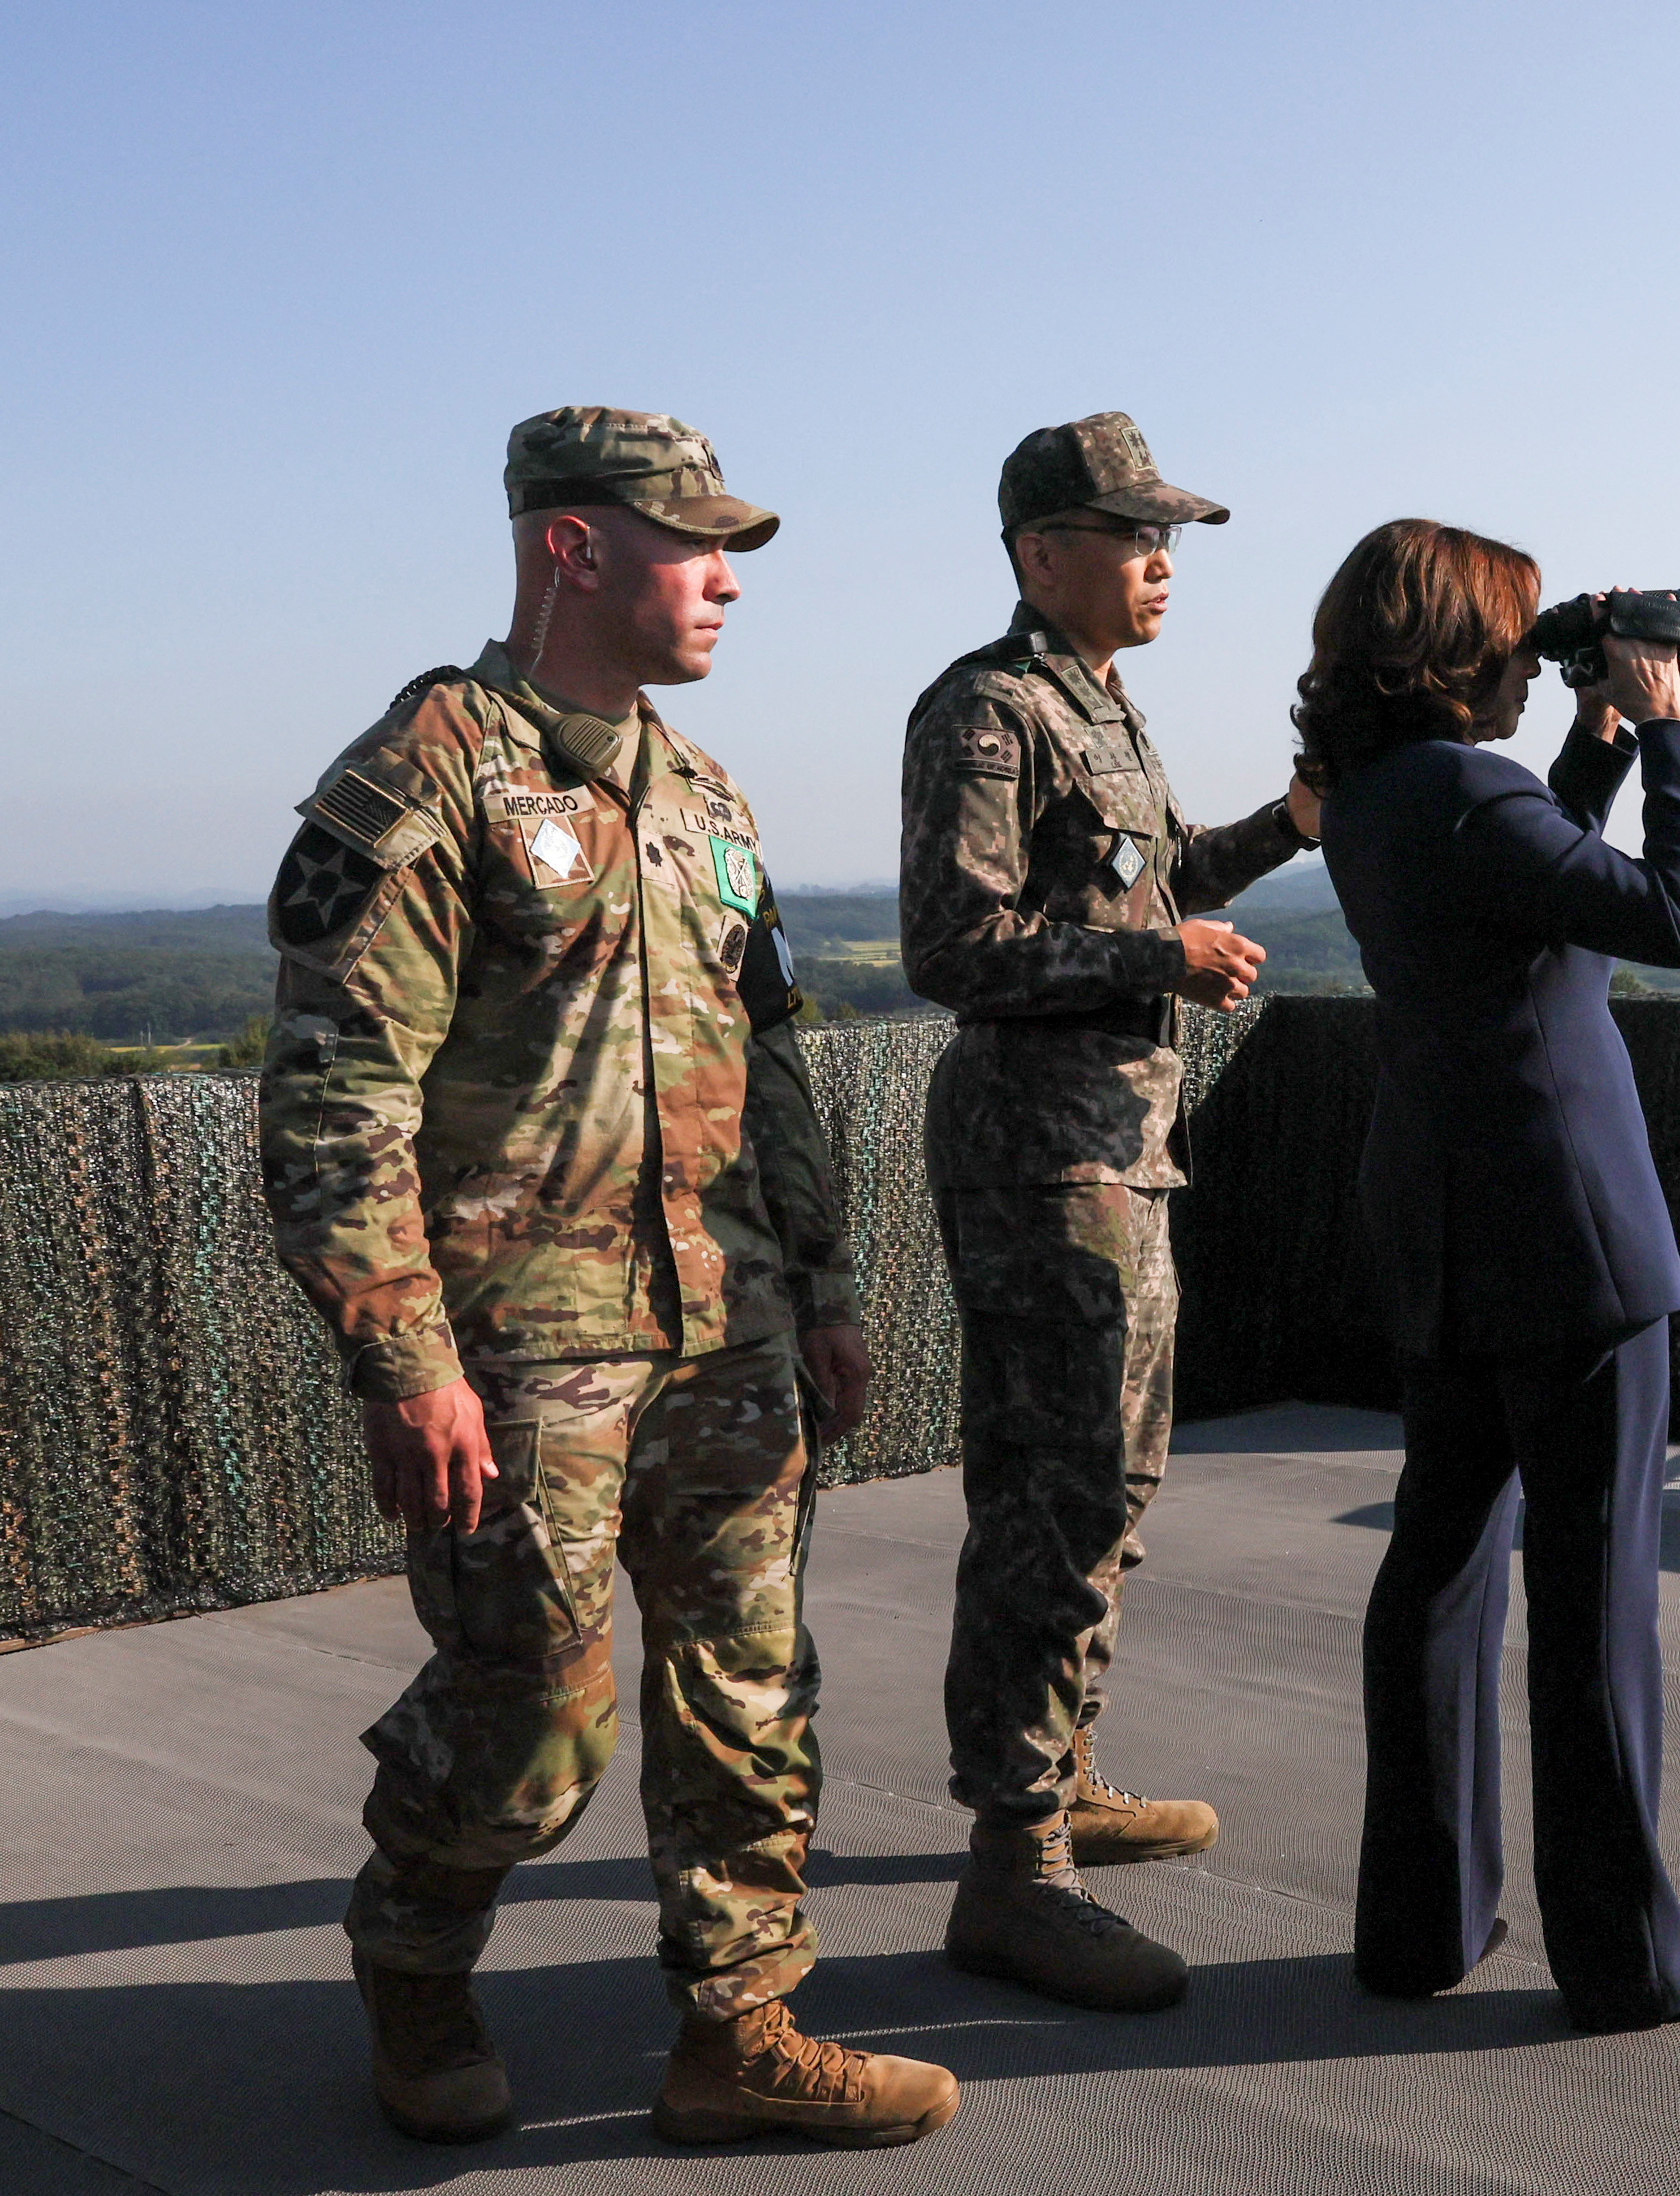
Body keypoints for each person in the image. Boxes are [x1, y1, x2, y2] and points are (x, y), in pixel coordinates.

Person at [257, 408, 956, 2149]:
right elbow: (339, 1086)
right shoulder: (431, 768)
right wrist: (402, 1353)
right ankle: (412, 1953)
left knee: (747, 1687)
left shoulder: (704, 791)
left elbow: (774, 1052)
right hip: (521, 1345)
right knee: (535, 1714)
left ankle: (741, 2024)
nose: (725, 579)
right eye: (691, 541)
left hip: (729, 1327)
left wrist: (833, 1285)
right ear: (573, 547)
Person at [1304, 519, 1680, 2032]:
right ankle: (1624, 1957)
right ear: (1450, 652)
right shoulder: (1457, 792)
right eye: (1508, 638)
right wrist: (1675, 735)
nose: (1524, 656)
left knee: (1436, 1568)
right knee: (1590, 1597)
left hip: (1443, 1227)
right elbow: (1679, 925)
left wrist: (1593, 737)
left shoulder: (1382, 796)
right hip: (1569, 1241)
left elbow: (1524, 876)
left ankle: (1420, 1920)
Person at [899, 411, 1318, 2013]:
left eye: (1171, 535)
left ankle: (1052, 1778)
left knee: (1091, 1481)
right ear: (1039, 552)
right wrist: (1162, 960)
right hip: (1045, 1159)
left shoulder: (1105, 711)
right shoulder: (991, 710)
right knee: (1067, 1488)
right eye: (1135, 533)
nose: (1162, 560)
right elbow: (955, 945)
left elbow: (1152, 879)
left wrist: (1283, 827)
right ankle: (1017, 1865)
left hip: (1115, 1151)